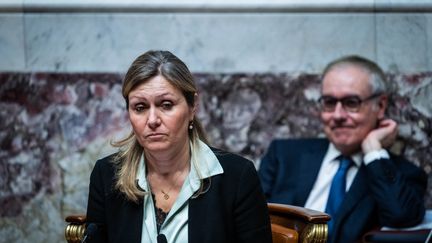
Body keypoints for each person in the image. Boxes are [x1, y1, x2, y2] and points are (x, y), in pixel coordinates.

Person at [85, 50, 272, 243]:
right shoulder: (106, 174)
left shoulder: (238, 177)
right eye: (140, 108)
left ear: (192, 108)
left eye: (166, 105)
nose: (152, 120)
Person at [258, 55, 427, 243]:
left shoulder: (397, 174)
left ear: (380, 106)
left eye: (351, 103)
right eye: (329, 102)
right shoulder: (284, 155)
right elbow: (250, 218)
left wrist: (373, 150)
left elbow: (402, 217)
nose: (337, 115)